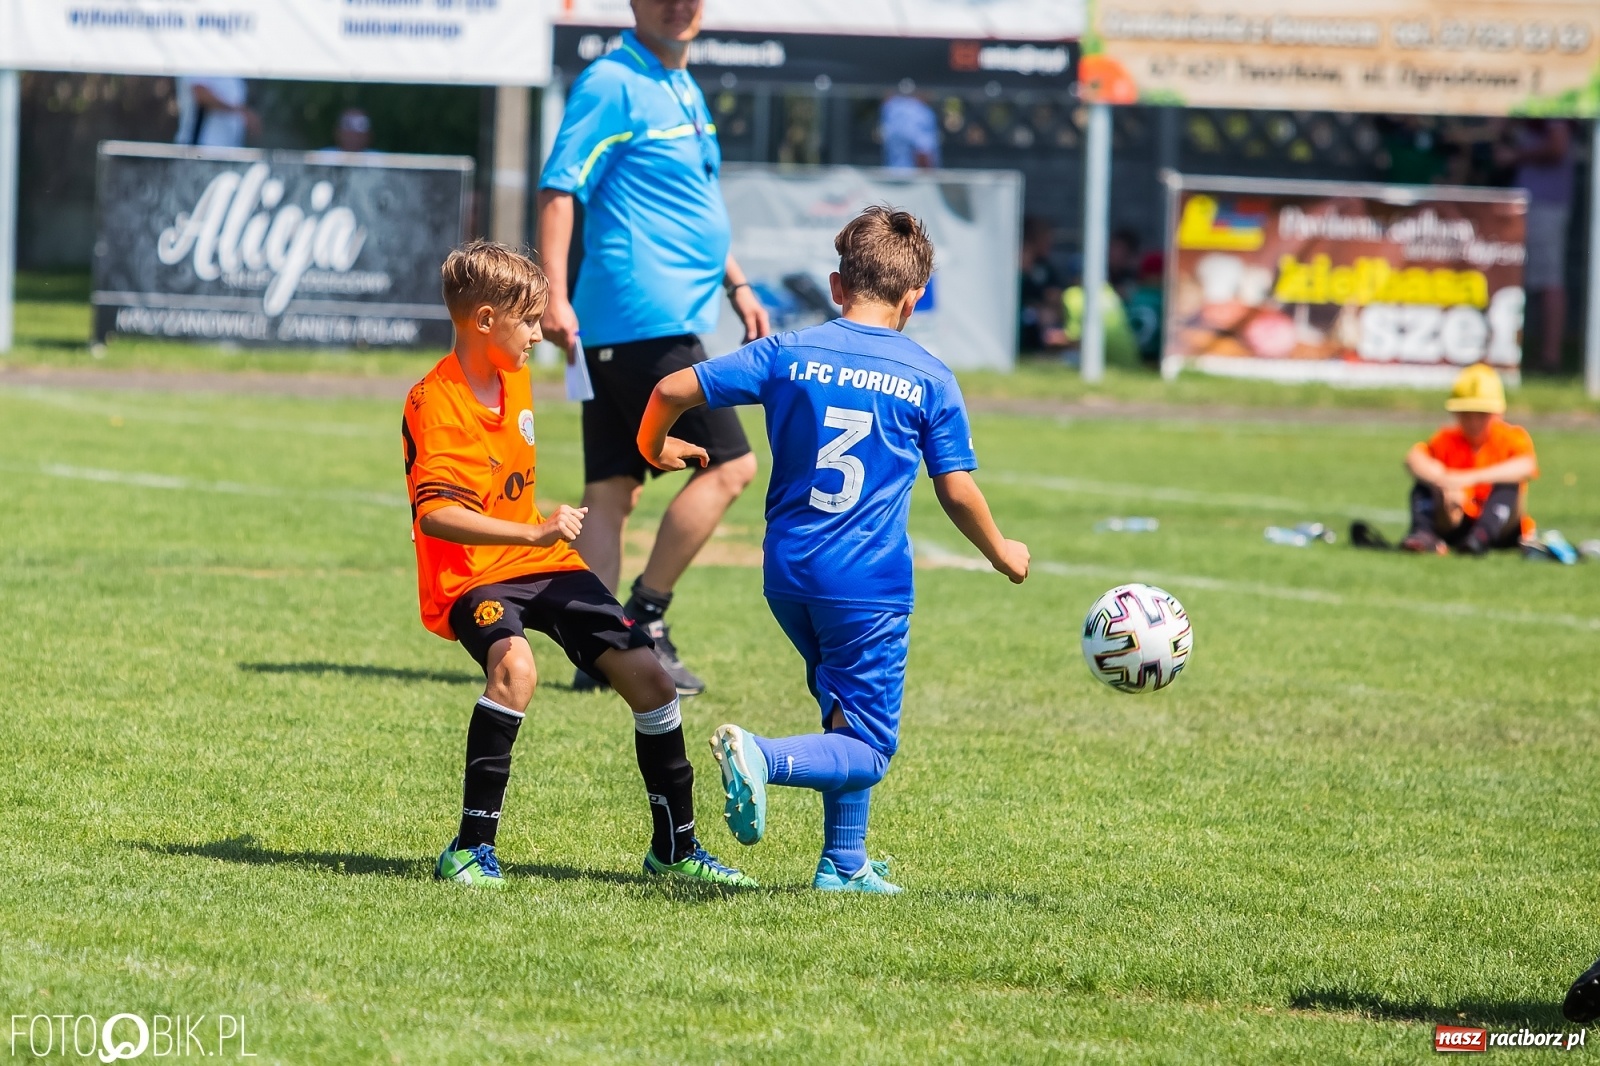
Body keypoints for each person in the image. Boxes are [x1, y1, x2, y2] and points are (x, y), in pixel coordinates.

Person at [636, 207, 1031, 893]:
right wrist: (1001, 551)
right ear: (915, 300)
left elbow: (671, 388)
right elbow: (957, 491)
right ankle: (761, 756)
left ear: (835, 285)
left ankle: (843, 863)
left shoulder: (786, 352)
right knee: (870, 747)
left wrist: (653, 447)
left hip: (788, 575)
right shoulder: (928, 376)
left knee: (844, 710)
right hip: (866, 585)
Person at [402, 240, 753, 889]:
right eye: (526, 321)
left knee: (651, 680)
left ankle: (675, 850)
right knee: (516, 670)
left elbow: (575, 363)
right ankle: (469, 850)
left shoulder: (510, 368)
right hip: (472, 573)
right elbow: (435, 515)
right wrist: (531, 530)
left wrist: (655, 443)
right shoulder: (435, 400)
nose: (536, 334)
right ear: (483, 321)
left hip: (542, 562)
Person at [537, 0, 770, 698]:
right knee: (730, 467)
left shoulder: (684, 86)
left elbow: (700, 202)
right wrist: (553, 291)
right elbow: (558, 186)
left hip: (639, 325)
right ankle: (644, 617)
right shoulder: (611, 81)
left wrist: (739, 285)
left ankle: (595, 647)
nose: (679, 5)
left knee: (611, 492)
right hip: (644, 318)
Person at [1400, 364, 1538, 555]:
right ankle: (1423, 534)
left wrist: (1467, 479)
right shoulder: (1446, 439)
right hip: (1457, 518)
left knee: (1508, 486)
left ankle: (1481, 537)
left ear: (1498, 413)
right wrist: (1444, 481)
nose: (1474, 422)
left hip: (1500, 524)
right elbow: (1413, 459)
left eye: (1482, 415)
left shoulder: (1512, 437)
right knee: (1424, 485)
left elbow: (1526, 466)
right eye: (1466, 414)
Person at [1499, 119, 1574, 372]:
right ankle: (1521, 353)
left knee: (1548, 280)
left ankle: (1550, 359)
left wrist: (1515, 155)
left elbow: (1558, 147)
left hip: (1546, 204)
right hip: (1530, 201)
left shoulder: (1554, 103)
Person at [1018, 215, 1066, 354]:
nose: (1049, 242)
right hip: (1022, 312)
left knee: (1047, 316)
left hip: (1038, 313)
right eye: (1045, 238)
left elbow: (1054, 294)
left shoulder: (1044, 267)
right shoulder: (1015, 267)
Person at [174, 75, 257, 148]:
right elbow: (200, 93)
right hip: (200, 147)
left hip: (227, 148)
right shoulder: (201, 62)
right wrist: (239, 112)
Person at [880, 80, 941, 171]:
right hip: (914, 179)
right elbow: (923, 150)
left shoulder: (890, 108)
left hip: (892, 174)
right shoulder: (921, 112)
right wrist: (928, 179)